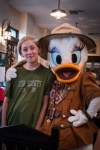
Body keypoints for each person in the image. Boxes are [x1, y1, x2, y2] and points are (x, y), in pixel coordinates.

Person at [2, 35, 55, 130]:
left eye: (32, 48)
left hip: (32, 123)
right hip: (12, 120)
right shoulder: (15, 72)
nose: (29, 52)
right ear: (21, 53)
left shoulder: (47, 74)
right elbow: (6, 101)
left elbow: (45, 104)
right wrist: (3, 125)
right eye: (25, 49)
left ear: (39, 49)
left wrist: (38, 127)